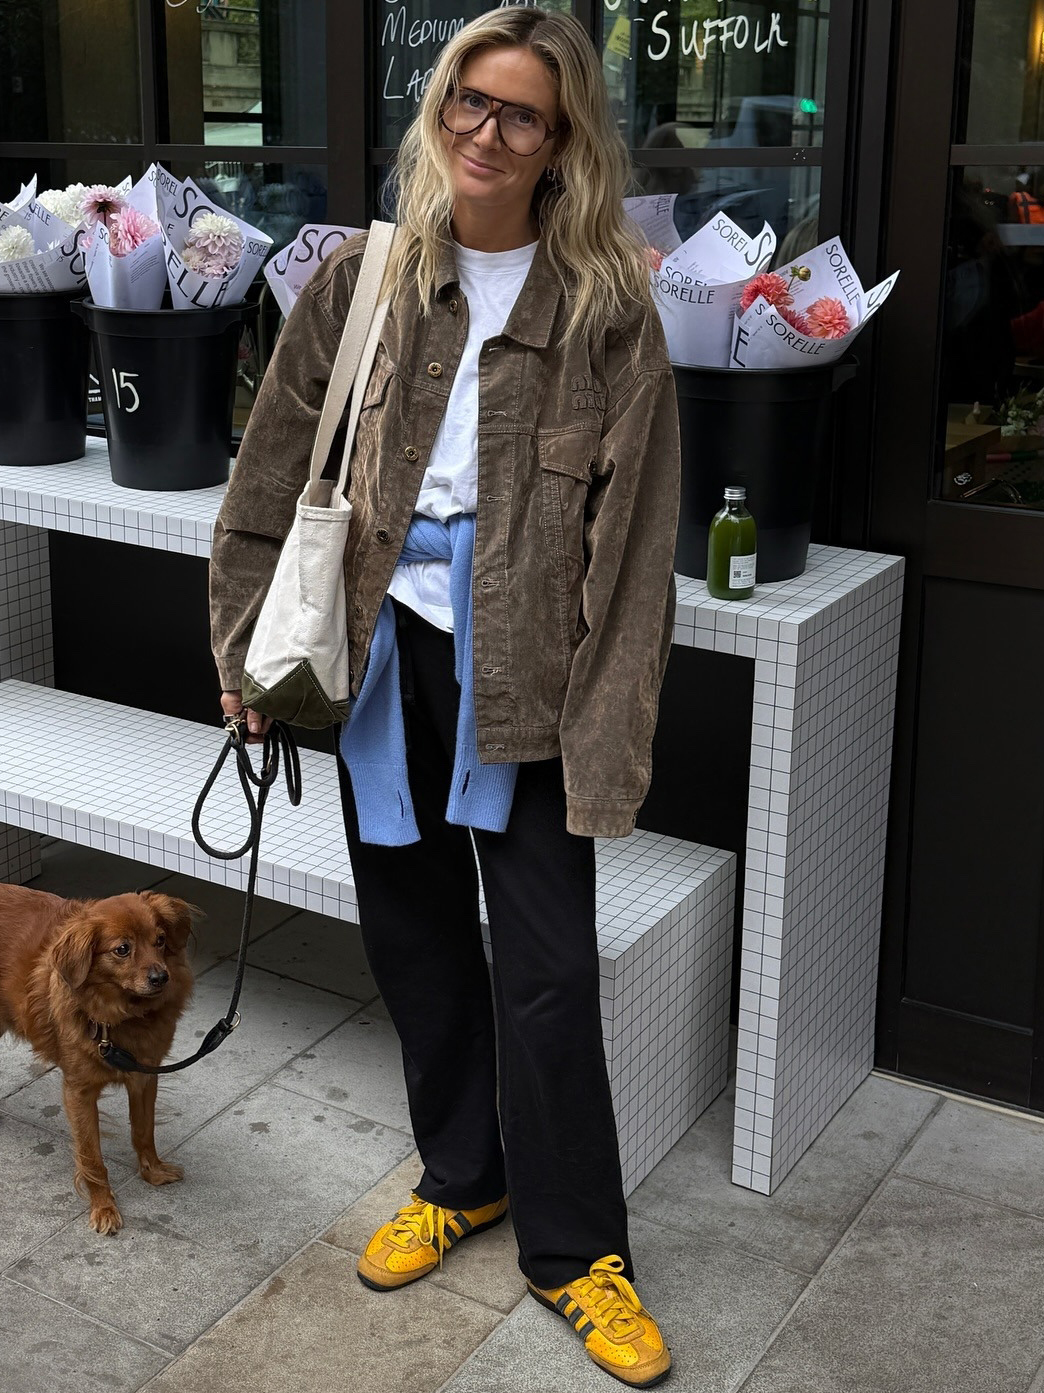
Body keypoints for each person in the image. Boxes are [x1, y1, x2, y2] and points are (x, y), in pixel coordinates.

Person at [208, 9, 680, 1386]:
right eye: (468, 102)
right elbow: (267, 474)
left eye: (519, 114)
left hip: (529, 658)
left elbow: (637, 553)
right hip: (379, 650)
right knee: (410, 932)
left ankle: (577, 1249)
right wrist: (246, 651)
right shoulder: (360, 280)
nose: (484, 132)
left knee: (542, 967)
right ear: (440, 110)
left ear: (562, 142)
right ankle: (462, 1172)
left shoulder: (608, 311)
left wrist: (605, 741)